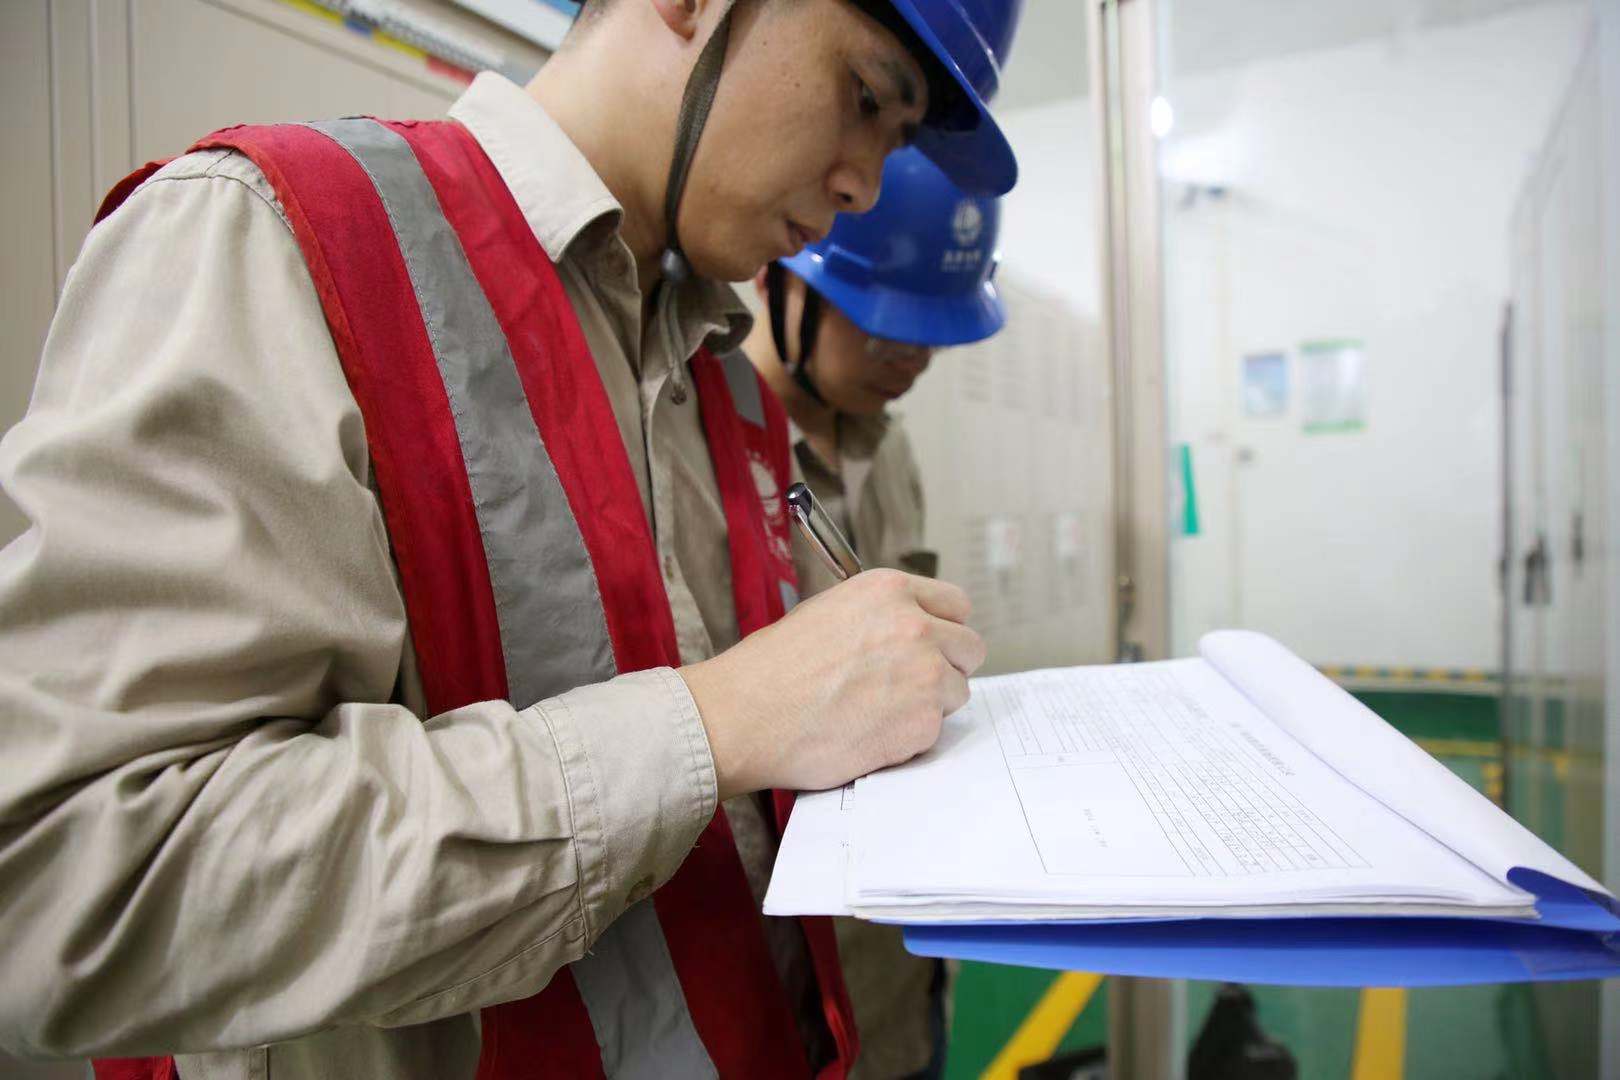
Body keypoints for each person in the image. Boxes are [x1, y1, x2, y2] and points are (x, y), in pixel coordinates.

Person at [0, 0, 1018, 1076]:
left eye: (897, 138)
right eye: (864, 97)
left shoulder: (724, 382)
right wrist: (714, 724)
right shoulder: (271, 241)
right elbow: (65, 884)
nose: (865, 185)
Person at [741, 146, 1006, 1078]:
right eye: (888, 326)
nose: (916, 360)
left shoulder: (886, 448)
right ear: (783, 276)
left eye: (933, 333)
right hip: (785, 993)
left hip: (902, 966)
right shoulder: (706, 449)